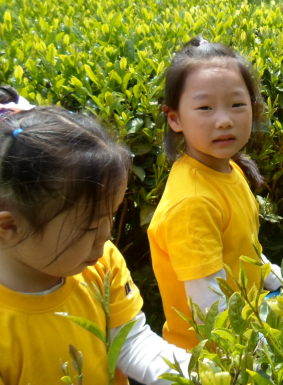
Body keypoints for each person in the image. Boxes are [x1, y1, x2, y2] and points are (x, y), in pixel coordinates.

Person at [0, 106, 189, 384]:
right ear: (10, 227)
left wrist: (197, 375)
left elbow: (132, 343)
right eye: (89, 226)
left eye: (110, 216)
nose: (106, 236)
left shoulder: (102, 264)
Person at [148, 38, 282, 351]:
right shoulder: (193, 203)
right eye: (205, 108)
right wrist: (273, 345)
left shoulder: (227, 168)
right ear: (175, 118)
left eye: (237, 104)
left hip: (244, 334)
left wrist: (275, 279)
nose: (224, 120)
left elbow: (242, 248)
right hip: (211, 358)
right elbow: (211, 310)